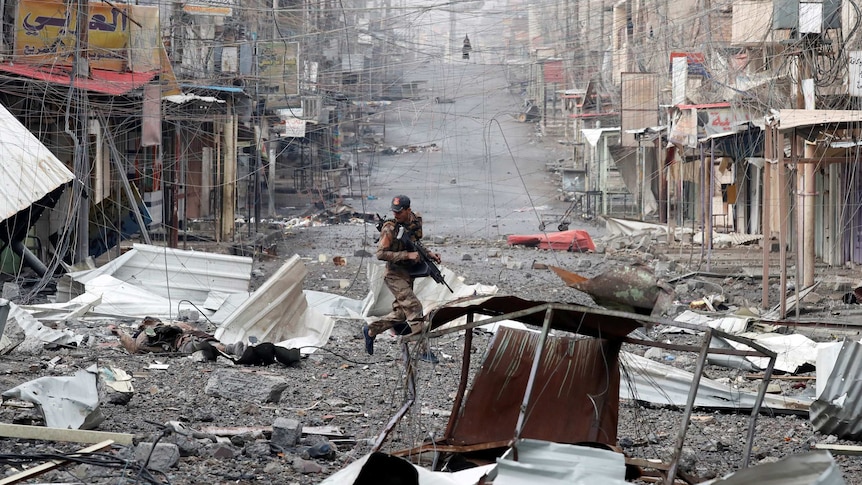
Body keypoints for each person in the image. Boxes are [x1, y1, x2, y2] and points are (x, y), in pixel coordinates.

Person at [363, 195, 441, 362]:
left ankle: (370, 331)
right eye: (394, 212)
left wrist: (429, 254)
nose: (396, 215)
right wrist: (406, 255)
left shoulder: (414, 221)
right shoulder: (390, 229)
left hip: (408, 274)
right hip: (393, 275)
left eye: (400, 212)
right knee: (414, 307)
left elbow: (415, 243)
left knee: (400, 314)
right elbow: (380, 254)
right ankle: (423, 350)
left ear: (408, 210)